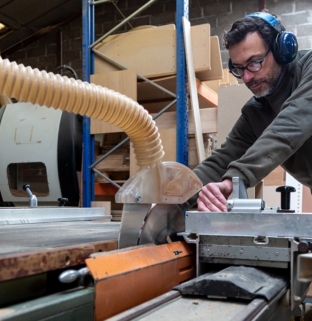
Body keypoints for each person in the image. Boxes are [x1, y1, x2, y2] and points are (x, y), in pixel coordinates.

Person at [191, 11, 312, 212]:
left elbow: (292, 123)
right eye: (238, 68)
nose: (246, 77)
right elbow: (221, 161)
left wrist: (234, 180)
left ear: (282, 50)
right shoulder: (256, 111)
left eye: (254, 62)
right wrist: (172, 199)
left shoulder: (309, 69)